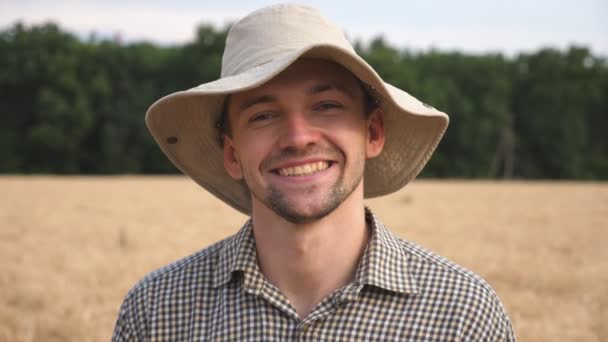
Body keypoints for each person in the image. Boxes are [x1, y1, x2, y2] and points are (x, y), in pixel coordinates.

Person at [112, 3, 515, 341]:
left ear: (373, 133)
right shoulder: (156, 313)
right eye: (264, 115)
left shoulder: (462, 316)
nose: (298, 137)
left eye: (327, 106)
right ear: (231, 154)